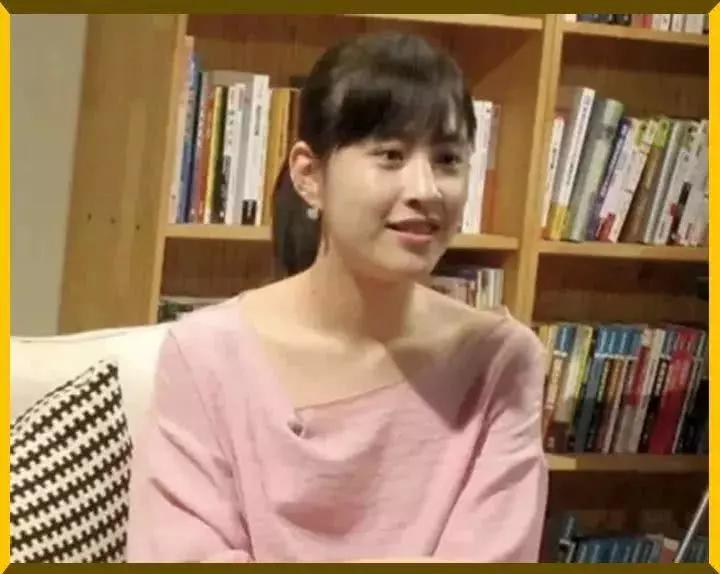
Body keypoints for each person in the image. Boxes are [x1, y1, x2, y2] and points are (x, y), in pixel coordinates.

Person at [126, 30, 548, 563]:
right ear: (309, 175)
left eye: (447, 159)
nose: (426, 189)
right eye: (390, 155)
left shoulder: (500, 363)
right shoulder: (206, 356)